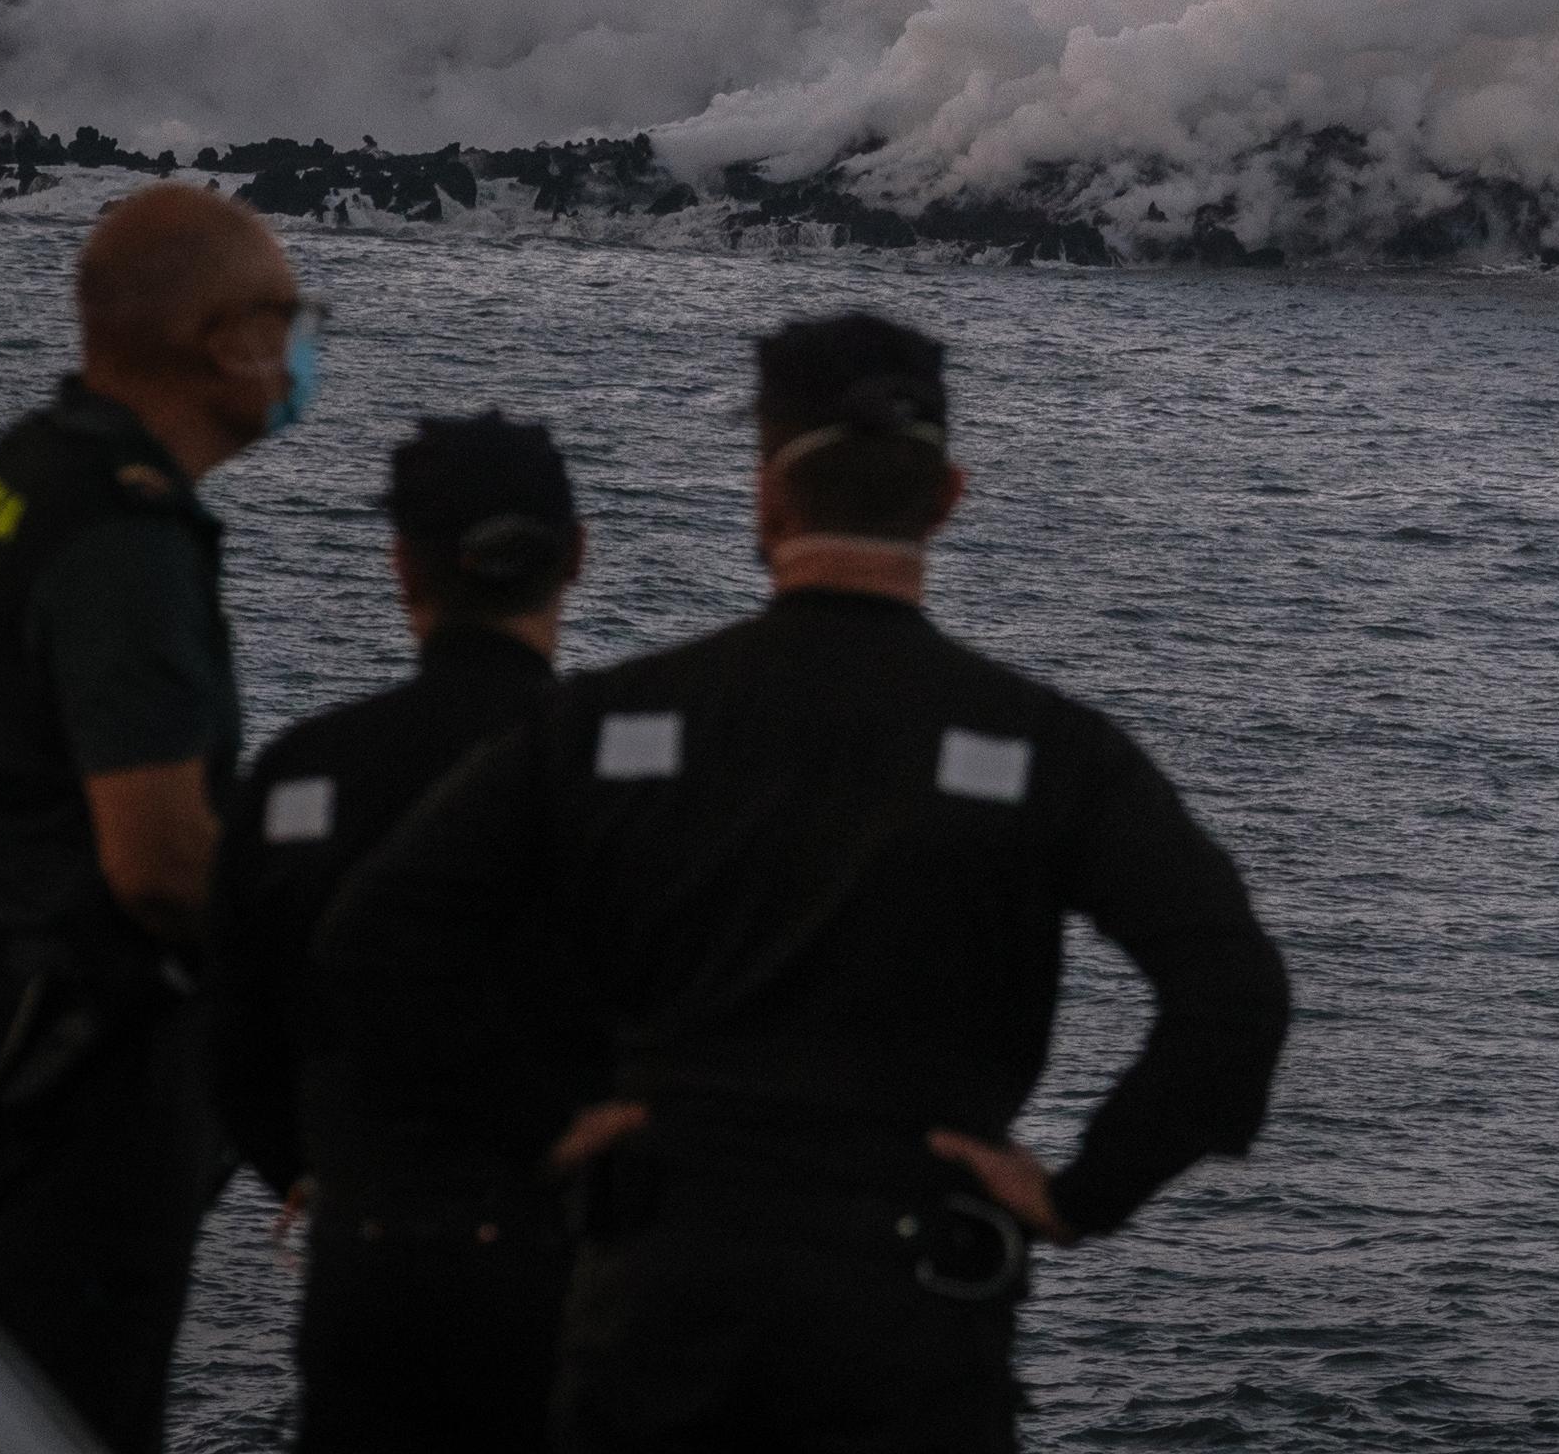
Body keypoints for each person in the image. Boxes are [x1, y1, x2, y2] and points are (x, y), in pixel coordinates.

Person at [318, 313, 1292, 1454]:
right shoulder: (1051, 748)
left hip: (660, 1290)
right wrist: (1087, 1189)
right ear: (946, 497)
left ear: (767, 501)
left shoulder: (612, 722)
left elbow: (372, 943)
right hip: (913, 1306)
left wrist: (540, 1122)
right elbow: (1231, 989)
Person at [0, 182, 320, 1454]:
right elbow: (154, 857)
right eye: (291, 321)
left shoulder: (25, 468)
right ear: (222, 340)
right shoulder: (122, 535)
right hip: (81, 1071)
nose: (303, 351)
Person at [209, 414, 597, 1453]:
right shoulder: (631, 787)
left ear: (400, 565)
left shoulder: (303, 770)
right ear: (577, 555)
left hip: (366, 1259)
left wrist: (311, 1167)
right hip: (573, 1272)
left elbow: (231, 1038)